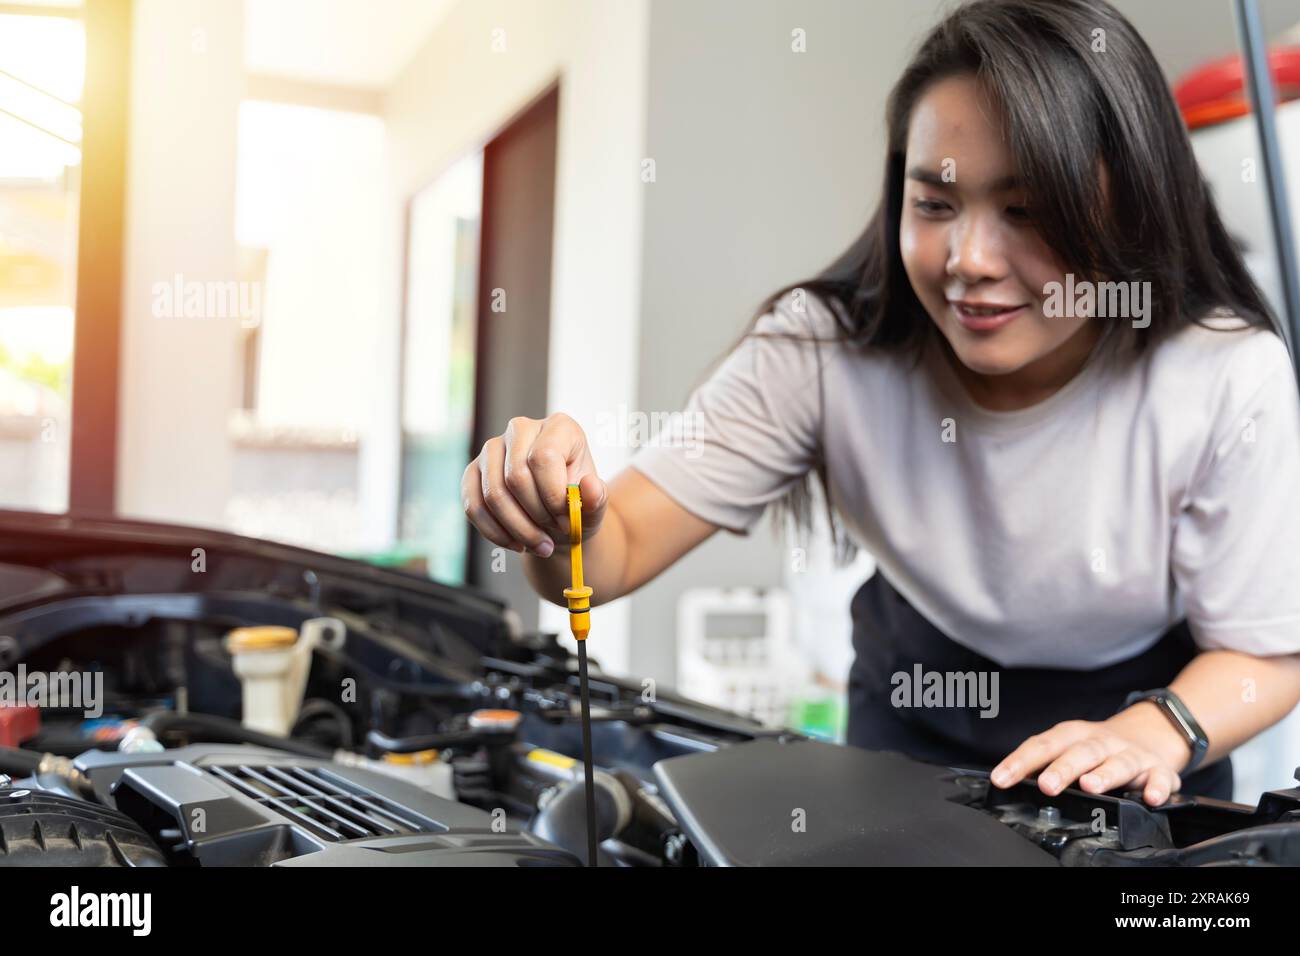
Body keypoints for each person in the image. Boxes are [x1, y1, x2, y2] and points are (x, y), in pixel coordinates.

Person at [462, 0, 1300, 806]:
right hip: (908, 722)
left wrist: (1160, 731)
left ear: (1133, 202)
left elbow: (1268, 654)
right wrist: (559, 516)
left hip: (1145, 731)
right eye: (934, 203)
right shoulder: (822, 351)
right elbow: (614, 553)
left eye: (1027, 211)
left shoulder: (1223, 374)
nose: (968, 258)